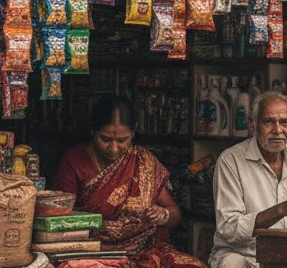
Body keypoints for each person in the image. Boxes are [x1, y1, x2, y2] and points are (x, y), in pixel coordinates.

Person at [52, 95, 208, 268]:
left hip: (144, 251)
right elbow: (60, 219)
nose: (113, 148)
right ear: (93, 131)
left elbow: (175, 215)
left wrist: (163, 215)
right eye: (105, 139)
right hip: (92, 252)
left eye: (122, 140)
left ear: (133, 133)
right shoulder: (74, 161)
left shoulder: (144, 161)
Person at [209, 91, 287, 268]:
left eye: (284, 122)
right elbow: (229, 228)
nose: (278, 131)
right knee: (231, 264)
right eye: (268, 122)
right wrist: (282, 209)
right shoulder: (231, 160)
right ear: (252, 125)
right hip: (247, 255)